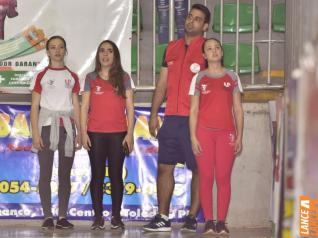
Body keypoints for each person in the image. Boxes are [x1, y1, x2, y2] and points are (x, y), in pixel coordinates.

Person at [143, 4, 211, 232]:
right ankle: (162, 217)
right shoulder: (170, 48)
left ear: (205, 26)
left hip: (197, 121)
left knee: (199, 169)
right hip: (171, 118)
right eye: (190, 17)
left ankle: (192, 217)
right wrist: (154, 114)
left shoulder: (208, 50)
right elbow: (162, 84)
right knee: (164, 167)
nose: (190, 21)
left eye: (197, 19)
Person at [189, 38, 244, 235]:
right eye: (209, 49)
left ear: (222, 52)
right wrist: (193, 137)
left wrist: (239, 136)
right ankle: (209, 222)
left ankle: (221, 222)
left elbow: (238, 109)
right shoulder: (198, 78)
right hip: (203, 133)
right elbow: (193, 111)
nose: (214, 51)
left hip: (226, 134)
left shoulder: (233, 76)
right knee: (205, 177)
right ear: (203, 55)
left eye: (217, 48)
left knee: (222, 177)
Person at [80, 40, 134, 230]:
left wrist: (130, 134)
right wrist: (83, 132)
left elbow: (129, 107)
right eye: (102, 51)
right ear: (98, 55)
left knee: (116, 176)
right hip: (95, 134)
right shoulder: (90, 78)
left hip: (118, 135)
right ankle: (97, 218)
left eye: (110, 51)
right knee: (97, 176)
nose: (105, 55)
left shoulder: (124, 77)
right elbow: (84, 107)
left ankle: (116, 217)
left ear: (115, 55)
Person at [30, 35, 81, 230]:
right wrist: (35, 133)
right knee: (45, 173)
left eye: (60, 47)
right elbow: (34, 107)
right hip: (46, 127)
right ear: (48, 51)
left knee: (65, 174)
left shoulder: (72, 76)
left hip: (67, 128)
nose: (57, 51)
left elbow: (76, 106)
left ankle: (62, 216)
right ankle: (47, 216)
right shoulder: (41, 76)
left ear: (65, 51)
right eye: (53, 47)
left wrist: (80, 133)